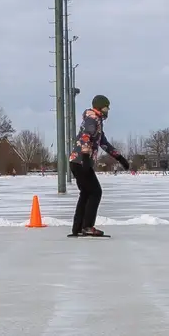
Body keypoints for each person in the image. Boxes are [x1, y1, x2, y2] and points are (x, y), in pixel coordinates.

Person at [68, 94, 129, 237]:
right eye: (106, 107)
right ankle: (87, 226)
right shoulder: (92, 119)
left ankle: (78, 227)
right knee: (95, 192)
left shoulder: (97, 121)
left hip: (77, 161)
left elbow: (103, 143)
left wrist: (120, 158)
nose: (108, 110)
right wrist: (85, 157)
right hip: (81, 161)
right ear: (100, 107)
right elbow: (85, 137)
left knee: (86, 193)